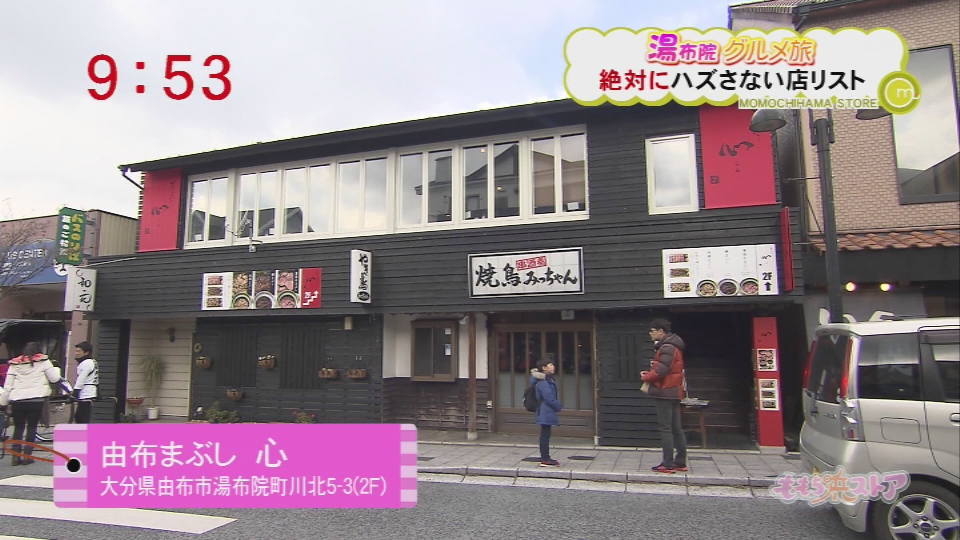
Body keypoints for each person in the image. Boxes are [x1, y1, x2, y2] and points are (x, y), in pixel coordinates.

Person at [0, 342, 63, 465]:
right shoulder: (44, 361)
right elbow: (54, 378)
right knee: (32, 427)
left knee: (18, 428)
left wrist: (4, 402)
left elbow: (8, 385)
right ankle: (27, 456)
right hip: (36, 399)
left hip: (18, 399)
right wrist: (56, 369)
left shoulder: (15, 364)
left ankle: (15, 456)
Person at [640, 318, 688, 474]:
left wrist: (646, 377)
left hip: (665, 392)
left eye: (652, 331)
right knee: (676, 428)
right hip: (674, 391)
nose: (650, 334)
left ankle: (667, 464)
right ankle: (680, 462)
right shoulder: (674, 346)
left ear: (661, 331)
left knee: (665, 428)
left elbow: (661, 370)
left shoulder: (666, 347)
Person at [529, 356, 562, 467]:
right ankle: (545, 458)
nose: (553, 367)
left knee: (545, 434)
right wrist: (558, 406)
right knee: (545, 435)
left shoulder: (547, 380)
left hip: (545, 410)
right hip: (545, 410)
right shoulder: (543, 382)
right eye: (550, 365)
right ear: (544, 368)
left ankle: (545, 457)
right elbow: (549, 398)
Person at [73, 341, 100, 424]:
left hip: (86, 393)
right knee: (80, 417)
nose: (76, 353)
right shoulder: (92, 361)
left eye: (79, 351)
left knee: (81, 418)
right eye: (76, 351)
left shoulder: (86, 363)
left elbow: (81, 379)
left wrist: (75, 392)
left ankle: (83, 432)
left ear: (86, 352)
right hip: (90, 391)